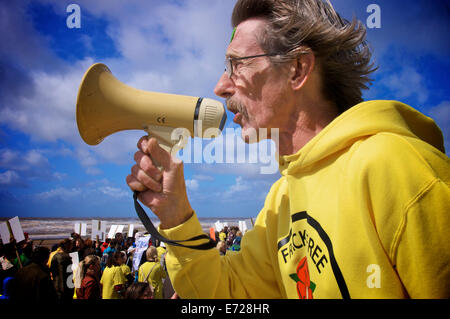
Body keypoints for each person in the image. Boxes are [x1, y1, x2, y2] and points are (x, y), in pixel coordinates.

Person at [126, 0, 450, 298]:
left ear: (297, 68)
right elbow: (228, 292)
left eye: (236, 65)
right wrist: (175, 214)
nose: (220, 87)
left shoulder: (397, 168)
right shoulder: (280, 199)